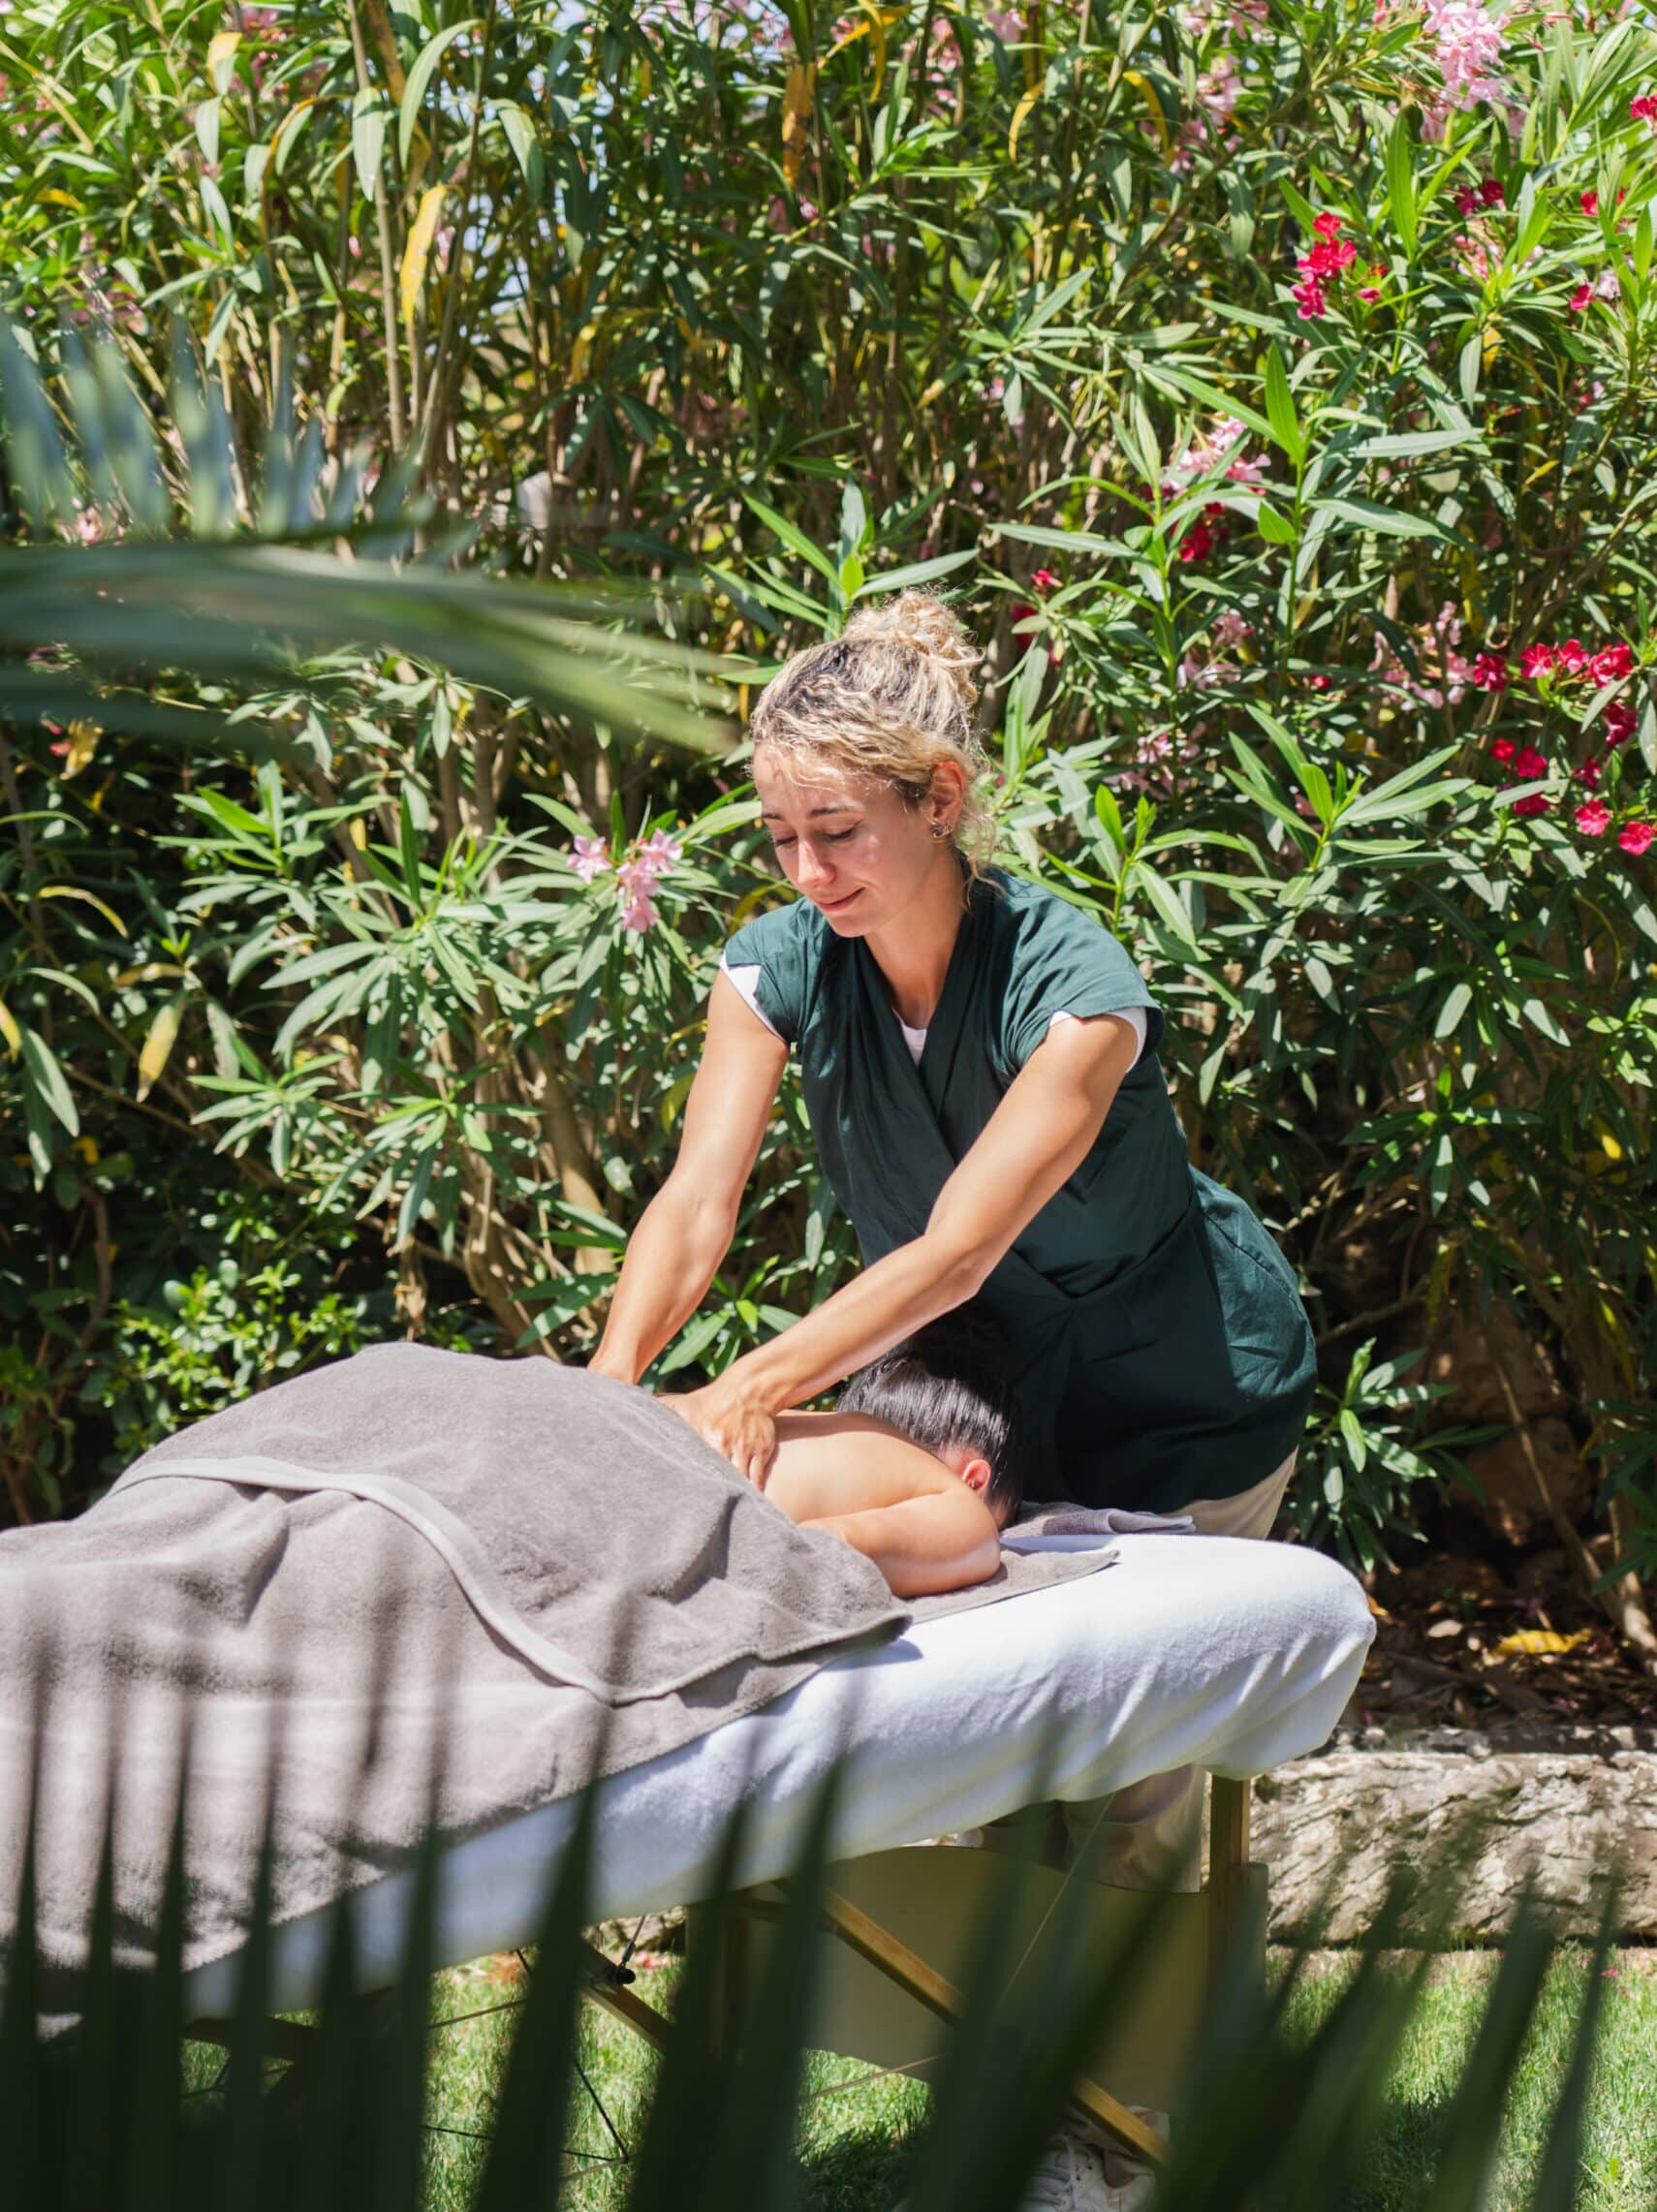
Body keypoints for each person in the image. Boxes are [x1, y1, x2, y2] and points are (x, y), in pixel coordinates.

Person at [590, 586, 1316, 2211]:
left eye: (837, 830)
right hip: (990, 1404)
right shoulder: (781, 966)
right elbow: (698, 1202)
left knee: (1126, 1779)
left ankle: (1104, 2145)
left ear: (941, 798)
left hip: (1183, 1399)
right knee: (998, 1754)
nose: (805, 871)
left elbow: (958, 1246)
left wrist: (760, 1378)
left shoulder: (1074, 982)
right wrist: (604, 1399)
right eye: (779, 833)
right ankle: (1026, 2082)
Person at [750, 1321, 1026, 1597]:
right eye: (998, 1527)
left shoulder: (828, 1436)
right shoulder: (968, 1518)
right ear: (973, 1482)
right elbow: (815, 1552)